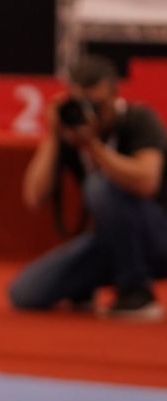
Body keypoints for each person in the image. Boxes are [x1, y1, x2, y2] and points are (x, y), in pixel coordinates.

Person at [9, 55, 167, 320]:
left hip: (157, 234)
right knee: (25, 292)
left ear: (114, 96)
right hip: (111, 241)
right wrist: (53, 136)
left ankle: (136, 294)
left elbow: (147, 181)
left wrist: (94, 148)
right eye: (86, 105)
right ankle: (88, 284)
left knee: (99, 186)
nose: (93, 113)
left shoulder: (139, 119)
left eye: (99, 105)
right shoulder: (72, 134)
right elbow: (34, 197)